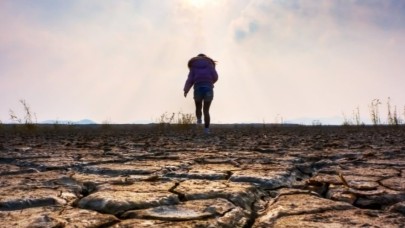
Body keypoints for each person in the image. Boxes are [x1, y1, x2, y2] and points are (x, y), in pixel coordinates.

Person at [183, 53, 218, 134]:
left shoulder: (193, 66)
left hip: (198, 87)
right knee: (206, 110)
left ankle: (199, 120)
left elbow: (190, 79)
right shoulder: (210, 64)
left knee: (198, 107)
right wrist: (210, 82)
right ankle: (206, 130)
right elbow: (215, 76)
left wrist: (186, 90)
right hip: (208, 88)